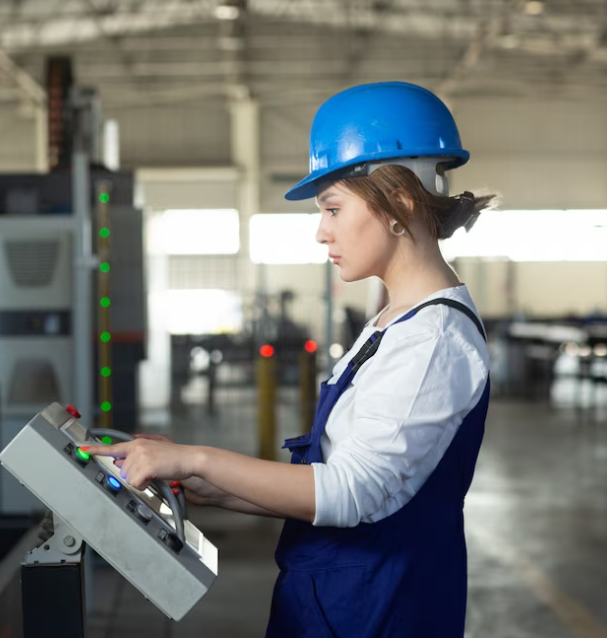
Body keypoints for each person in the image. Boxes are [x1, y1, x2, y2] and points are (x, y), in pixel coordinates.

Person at [82, 81, 496, 637]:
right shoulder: (393, 322)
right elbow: (329, 479)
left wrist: (198, 460)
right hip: (338, 602)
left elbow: (353, 492)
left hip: (378, 613)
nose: (321, 231)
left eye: (332, 207)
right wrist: (210, 484)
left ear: (398, 201)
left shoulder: (433, 339)